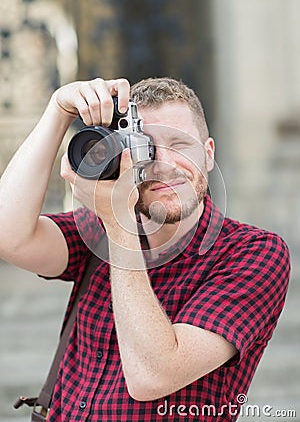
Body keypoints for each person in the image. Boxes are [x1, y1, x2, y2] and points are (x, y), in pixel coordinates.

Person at [0, 77, 290, 421]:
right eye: (145, 147)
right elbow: (10, 236)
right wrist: (57, 113)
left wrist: (118, 222)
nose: (164, 163)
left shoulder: (253, 253)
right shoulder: (98, 230)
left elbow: (152, 376)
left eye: (180, 144)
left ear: (209, 154)